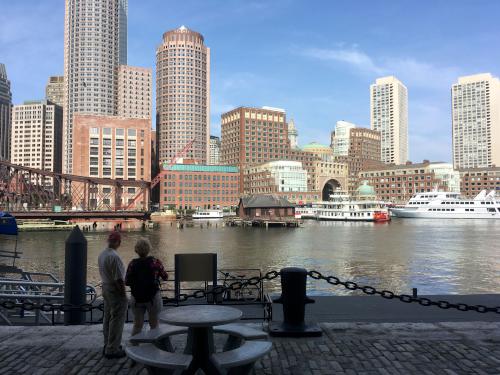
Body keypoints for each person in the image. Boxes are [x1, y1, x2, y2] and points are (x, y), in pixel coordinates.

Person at [125, 238, 168, 338]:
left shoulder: (132, 264)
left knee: (137, 324)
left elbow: (127, 281)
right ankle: (154, 346)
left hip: (136, 297)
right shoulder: (155, 262)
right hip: (153, 297)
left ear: (136, 250)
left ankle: (135, 345)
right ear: (149, 249)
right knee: (154, 324)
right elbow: (165, 277)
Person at [98, 231, 127, 359]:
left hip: (105, 287)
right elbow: (119, 279)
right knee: (117, 319)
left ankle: (108, 344)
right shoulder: (115, 257)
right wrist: (124, 294)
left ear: (108, 241)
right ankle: (113, 348)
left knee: (108, 317)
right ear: (118, 242)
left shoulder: (102, 255)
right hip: (114, 290)